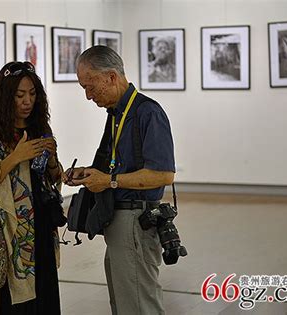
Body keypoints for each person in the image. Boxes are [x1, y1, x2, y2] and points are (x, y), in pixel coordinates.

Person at [63, 45, 175, 314]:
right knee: (123, 304)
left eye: (90, 86)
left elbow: (163, 174)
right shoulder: (117, 114)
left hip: (136, 221)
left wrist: (110, 181)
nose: (88, 96)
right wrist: (91, 173)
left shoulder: (147, 113)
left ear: (112, 77)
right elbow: (118, 165)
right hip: (118, 220)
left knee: (139, 305)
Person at [0, 61, 64, 315]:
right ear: (5, 95)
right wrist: (15, 157)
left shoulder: (39, 127)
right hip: (8, 231)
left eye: (32, 94)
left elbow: (54, 177)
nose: (27, 101)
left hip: (41, 227)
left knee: (44, 297)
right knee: (14, 303)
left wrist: (52, 159)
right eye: (20, 95)